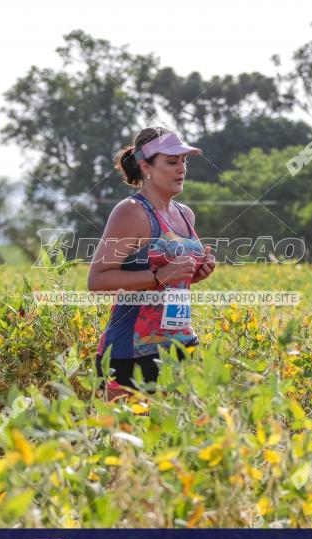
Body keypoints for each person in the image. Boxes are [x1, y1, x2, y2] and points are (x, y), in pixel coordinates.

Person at [87, 127, 216, 396]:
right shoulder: (131, 212)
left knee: (190, 435)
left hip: (181, 345)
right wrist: (159, 277)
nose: (181, 168)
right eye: (171, 161)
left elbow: (171, 279)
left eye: (184, 161)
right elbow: (97, 280)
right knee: (126, 438)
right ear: (146, 166)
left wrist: (194, 274)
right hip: (130, 353)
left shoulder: (185, 214)